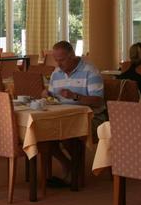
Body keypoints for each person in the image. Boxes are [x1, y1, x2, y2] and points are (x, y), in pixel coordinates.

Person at [41, 41, 105, 186]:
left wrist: (75, 96)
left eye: (62, 60)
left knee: (68, 131)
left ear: (72, 56)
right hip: (63, 116)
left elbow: (98, 101)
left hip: (92, 117)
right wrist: (47, 95)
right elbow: (53, 97)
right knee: (42, 134)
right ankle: (69, 165)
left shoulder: (90, 71)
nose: (58, 64)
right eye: (56, 60)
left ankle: (75, 173)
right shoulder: (56, 73)